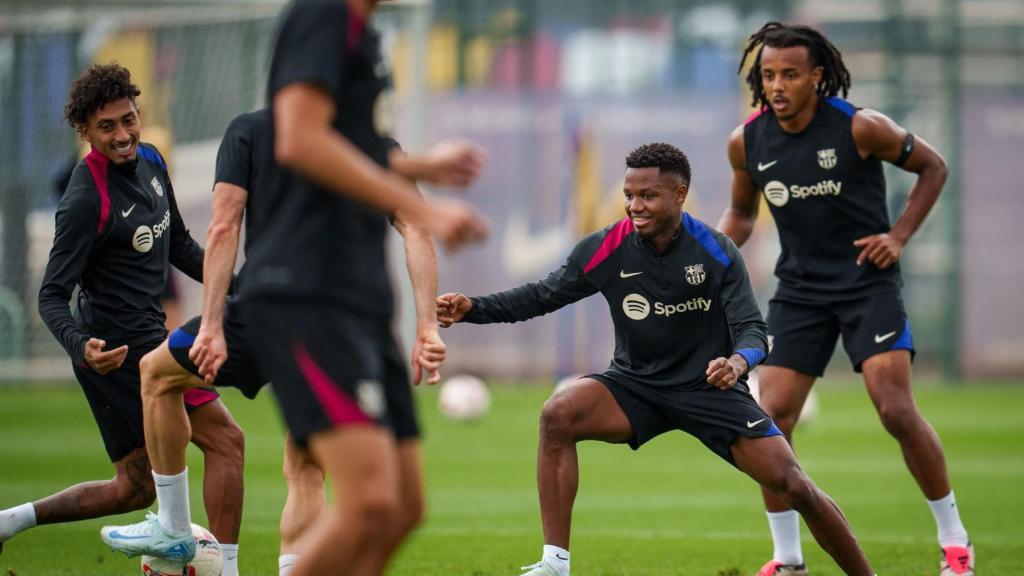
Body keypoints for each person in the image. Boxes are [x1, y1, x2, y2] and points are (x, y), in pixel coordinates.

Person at [438, 143, 875, 576]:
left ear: (680, 195)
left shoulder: (717, 250)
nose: (634, 205)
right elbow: (540, 296)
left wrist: (737, 364)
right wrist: (473, 308)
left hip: (710, 391)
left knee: (795, 485)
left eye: (647, 196)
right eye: (629, 195)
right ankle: (555, 565)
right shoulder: (605, 247)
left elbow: (754, 331)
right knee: (558, 414)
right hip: (636, 387)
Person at [100, 106, 485, 576]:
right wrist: (426, 326)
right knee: (307, 471)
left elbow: (224, 227)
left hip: (269, 309)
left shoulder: (249, 131)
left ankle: (175, 527)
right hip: (342, 328)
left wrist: (213, 323)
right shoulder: (371, 142)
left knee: (156, 373)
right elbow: (416, 226)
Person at [717, 22, 972, 576]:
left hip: (866, 285)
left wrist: (898, 236)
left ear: (817, 76)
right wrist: (708, 256)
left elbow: (934, 167)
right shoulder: (748, 141)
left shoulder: (861, 128)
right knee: (770, 418)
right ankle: (788, 560)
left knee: (895, 408)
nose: (777, 84)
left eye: (789, 74)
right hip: (800, 292)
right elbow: (740, 214)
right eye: (767, 75)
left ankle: (955, 544)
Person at [0, 64, 245, 564]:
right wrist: (80, 346)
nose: (122, 135)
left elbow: (178, 245)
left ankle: (8, 521)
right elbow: (50, 295)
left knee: (134, 489)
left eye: (128, 119)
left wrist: (239, 287)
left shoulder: (153, 160)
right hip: (114, 350)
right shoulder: (84, 198)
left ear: (140, 115)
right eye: (106, 126)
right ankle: (229, 570)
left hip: (146, 334)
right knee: (227, 441)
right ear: (85, 132)